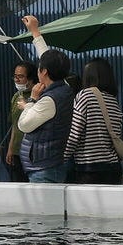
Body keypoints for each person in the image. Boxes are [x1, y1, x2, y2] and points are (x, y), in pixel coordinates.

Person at [16, 49, 73, 183]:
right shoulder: (65, 89)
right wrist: (35, 33)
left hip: (43, 167)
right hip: (51, 163)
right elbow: (51, 60)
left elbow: (23, 125)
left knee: (43, 204)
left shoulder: (49, 99)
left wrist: (32, 100)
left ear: (44, 71)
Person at [68, 58, 123, 185]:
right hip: (113, 167)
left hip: (89, 168)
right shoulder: (113, 101)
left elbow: (74, 133)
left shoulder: (85, 96)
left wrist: (62, 157)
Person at [4, 60, 37, 181]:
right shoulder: (17, 96)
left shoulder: (38, 96)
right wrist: (10, 148)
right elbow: (14, 124)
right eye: (15, 76)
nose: (17, 80)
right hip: (17, 150)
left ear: (31, 78)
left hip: (32, 151)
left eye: (21, 76)